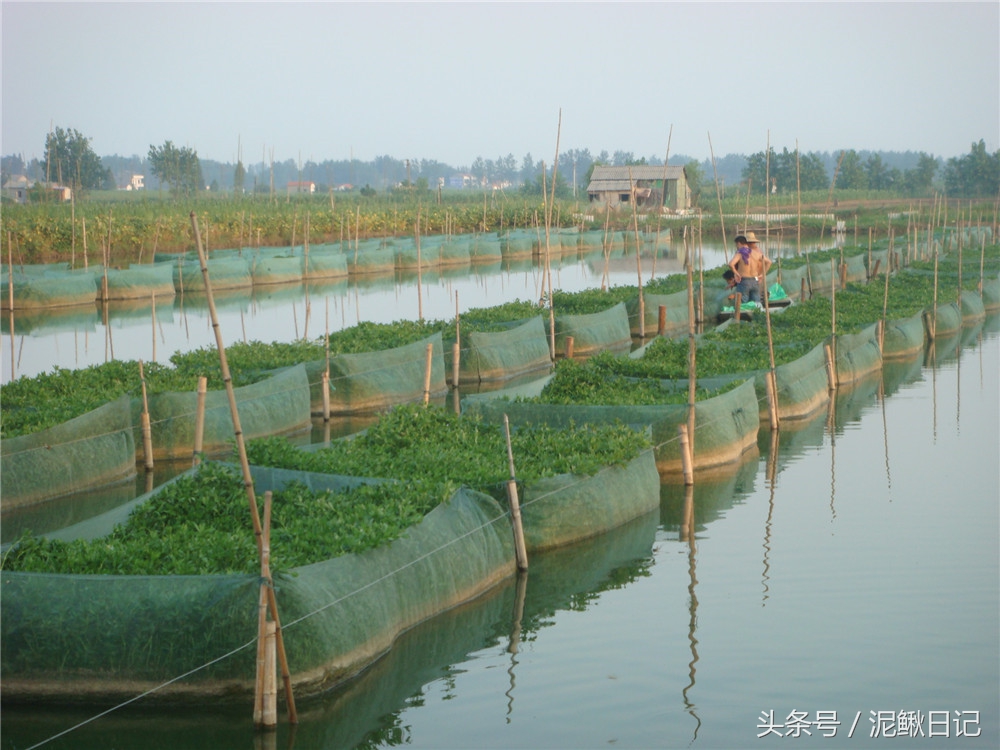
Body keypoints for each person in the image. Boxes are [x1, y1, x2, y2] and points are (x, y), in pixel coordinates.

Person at [728, 231, 772, 305]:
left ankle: (743, 312)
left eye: (736, 245)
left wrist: (736, 273)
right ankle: (758, 311)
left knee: (743, 302)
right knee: (756, 302)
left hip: (744, 280)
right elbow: (769, 262)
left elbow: (731, 264)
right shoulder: (757, 253)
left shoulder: (740, 253)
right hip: (755, 280)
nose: (737, 247)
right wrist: (762, 274)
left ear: (739, 243)